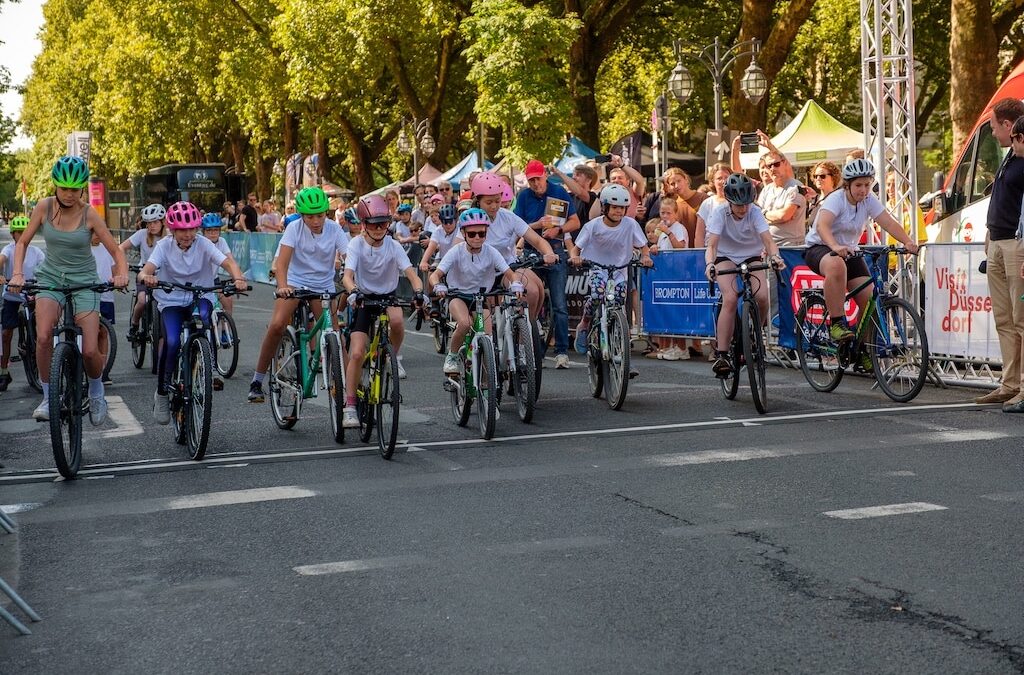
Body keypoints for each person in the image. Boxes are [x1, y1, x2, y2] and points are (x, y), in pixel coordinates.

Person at [8, 156, 128, 424]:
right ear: (56, 187)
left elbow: (115, 250)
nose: (70, 194)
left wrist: (120, 273)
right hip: (51, 278)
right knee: (42, 337)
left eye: (75, 189)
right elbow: (22, 243)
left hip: (84, 280)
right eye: (65, 188)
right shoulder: (44, 207)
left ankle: (96, 390)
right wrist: (17, 272)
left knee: (88, 350)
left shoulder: (89, 214)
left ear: (82, 189)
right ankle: (48, 397)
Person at [803, 158, 920, 371]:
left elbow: (888, 222)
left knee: (871, 303)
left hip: (848, 251)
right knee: (836, 265)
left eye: (867, 185)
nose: (863, 190)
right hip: (820, 247)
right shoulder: (836, 199)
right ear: (847, 185)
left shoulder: (869, 200)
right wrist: (835, 246)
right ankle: (837, 324)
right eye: (858, 185)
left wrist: (908, 242)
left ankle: (864, 350)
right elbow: (822, 226)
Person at [138, 202, 246, 423]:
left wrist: (238, 278)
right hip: (172, 300)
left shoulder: (204, 244)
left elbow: (227, 262)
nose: (187, 235)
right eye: (181, 230)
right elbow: (146, 270)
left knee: (206, 323)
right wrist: (147, 276)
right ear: (172, 230)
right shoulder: (164, 246)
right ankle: (162, 391)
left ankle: (205, 366)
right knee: (170, 341)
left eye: (191, 229)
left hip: (200, 296)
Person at [247, 187, 351, 403]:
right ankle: (257, 380)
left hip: (323, 284)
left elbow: (349, 256)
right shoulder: (294, 228)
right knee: (277, 325)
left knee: (336, 335)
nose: (315, 221)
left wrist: (352, 279)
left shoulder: (334, 229)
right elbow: (282, 263)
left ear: (327, 213)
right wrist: (283, 286)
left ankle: (350, 388)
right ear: (302, 215)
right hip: (295, 282)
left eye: (320, 215)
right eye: (310, 216)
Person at [341, 195, 425, 426]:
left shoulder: (393, 245)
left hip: (388, 296)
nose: (379, 229)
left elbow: (411, 274)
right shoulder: (356, 244)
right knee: (357, 353)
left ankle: (391, 356)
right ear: (363, 224)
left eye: (383, 223)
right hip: (363, 298)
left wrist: (419, 292)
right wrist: (354, 291)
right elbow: (347, 277)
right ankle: (349, 405)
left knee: (397, 320)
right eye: (373, 224)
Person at [705, 173, 784, 378]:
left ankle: (756, 331)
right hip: (725, 256)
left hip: (751, 255)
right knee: (730, 298)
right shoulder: (720, 212)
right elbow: (712, 244)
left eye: (746, 204)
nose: (743, 209)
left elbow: (768, 240)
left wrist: (775, 256)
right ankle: (722, 354)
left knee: (762, 296)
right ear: (729, 201)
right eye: (738, 205)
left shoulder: (754, 212)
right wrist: (710, 264)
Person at [430, 208, 523, 375]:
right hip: (458, 296)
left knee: (487, 338)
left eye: (482, 233)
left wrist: (516, 283)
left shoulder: (491, 251)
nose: (477, 238)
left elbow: (510, 273)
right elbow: (436, 275)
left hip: (481, 298)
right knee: (466, 324)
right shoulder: (456, 251)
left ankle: (487, 391)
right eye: (472, 234)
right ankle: (451, 357)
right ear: (463, 233)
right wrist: (438, 285)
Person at [472, 172, 558, 351]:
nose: (495, 206)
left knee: (534, 289)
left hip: (507, 268)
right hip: (481, 271)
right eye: (489, 202)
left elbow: (537, 240)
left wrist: (549, 253)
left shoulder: (508, 217)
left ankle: (524, 332)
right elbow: (458, 246)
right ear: (477, 200)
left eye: (498, 200)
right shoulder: (471, 219)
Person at [975, 99, 1024, 409]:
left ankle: (1021, 387)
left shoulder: (1022, 156)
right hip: (999, 243)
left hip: (1016, 246)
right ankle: (1010, 383)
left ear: (1009, 126)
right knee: (1004, 319)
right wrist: (989, 235)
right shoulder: (1012, 155)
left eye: (994, 126)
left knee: (1020, 320)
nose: (992, 132)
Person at [569, 184, 653, 355]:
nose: (619, 211)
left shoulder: (630, 225)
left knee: (619, 303)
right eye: (615, 207)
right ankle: (585, 323)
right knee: (597, 295)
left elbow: (644, 247)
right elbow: (576, 249)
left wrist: (646, 257)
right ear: (604, 207)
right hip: (597, 269)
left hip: (620, 271)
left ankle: (621, 355)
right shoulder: (593, 226)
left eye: (623, 208)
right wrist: (575, 258)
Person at [514, 159, 581, 368]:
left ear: (545, 175)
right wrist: (537, 225)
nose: (536, 183)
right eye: (531, 180)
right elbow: (516, 226)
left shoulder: (558, 191)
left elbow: (575, 221)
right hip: (530, 252)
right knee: (529, 300)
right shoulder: (523, 196)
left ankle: (562, 352)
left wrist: (558, 230)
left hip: (554, 249)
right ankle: (533, 347)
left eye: (538, 178)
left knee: (559, 304)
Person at [0, 216, 45, 391]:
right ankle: (3, 371)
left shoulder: (36, 252)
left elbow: (45, 267)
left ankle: (39, 363)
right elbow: (2, 260)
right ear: (13, 234)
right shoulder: (9, 249)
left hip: (31, 293)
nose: (23, 235)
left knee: (41, 330)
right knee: (6, 333)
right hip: (12, 294)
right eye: (19, 232)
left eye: (26, 231)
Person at [121, 203, 167, 340]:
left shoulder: (169, 236)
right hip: (145, 272)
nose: (152, 226)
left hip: (163, 274)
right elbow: (121, 247)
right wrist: (124, 263)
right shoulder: (142, 234)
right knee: (142, 300)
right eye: (148, 223)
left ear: (163, 222)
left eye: (155, 222)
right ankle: (134, 325)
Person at [757, 151, 807, 247]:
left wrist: (764, 214)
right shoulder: (766, 190)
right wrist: (773, 216)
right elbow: (757, 218)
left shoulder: (797, 187)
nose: (773, 168)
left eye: (776, 164)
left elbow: (784, 216)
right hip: (766, 246)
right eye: (769, 166)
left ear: (784, 163)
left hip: (790, 247)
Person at [806, 161, 841, 228]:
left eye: (822, 176)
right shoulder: (815, 200)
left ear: (833, 178)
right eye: (815, 176)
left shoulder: (838, 200)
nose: (818, 179)